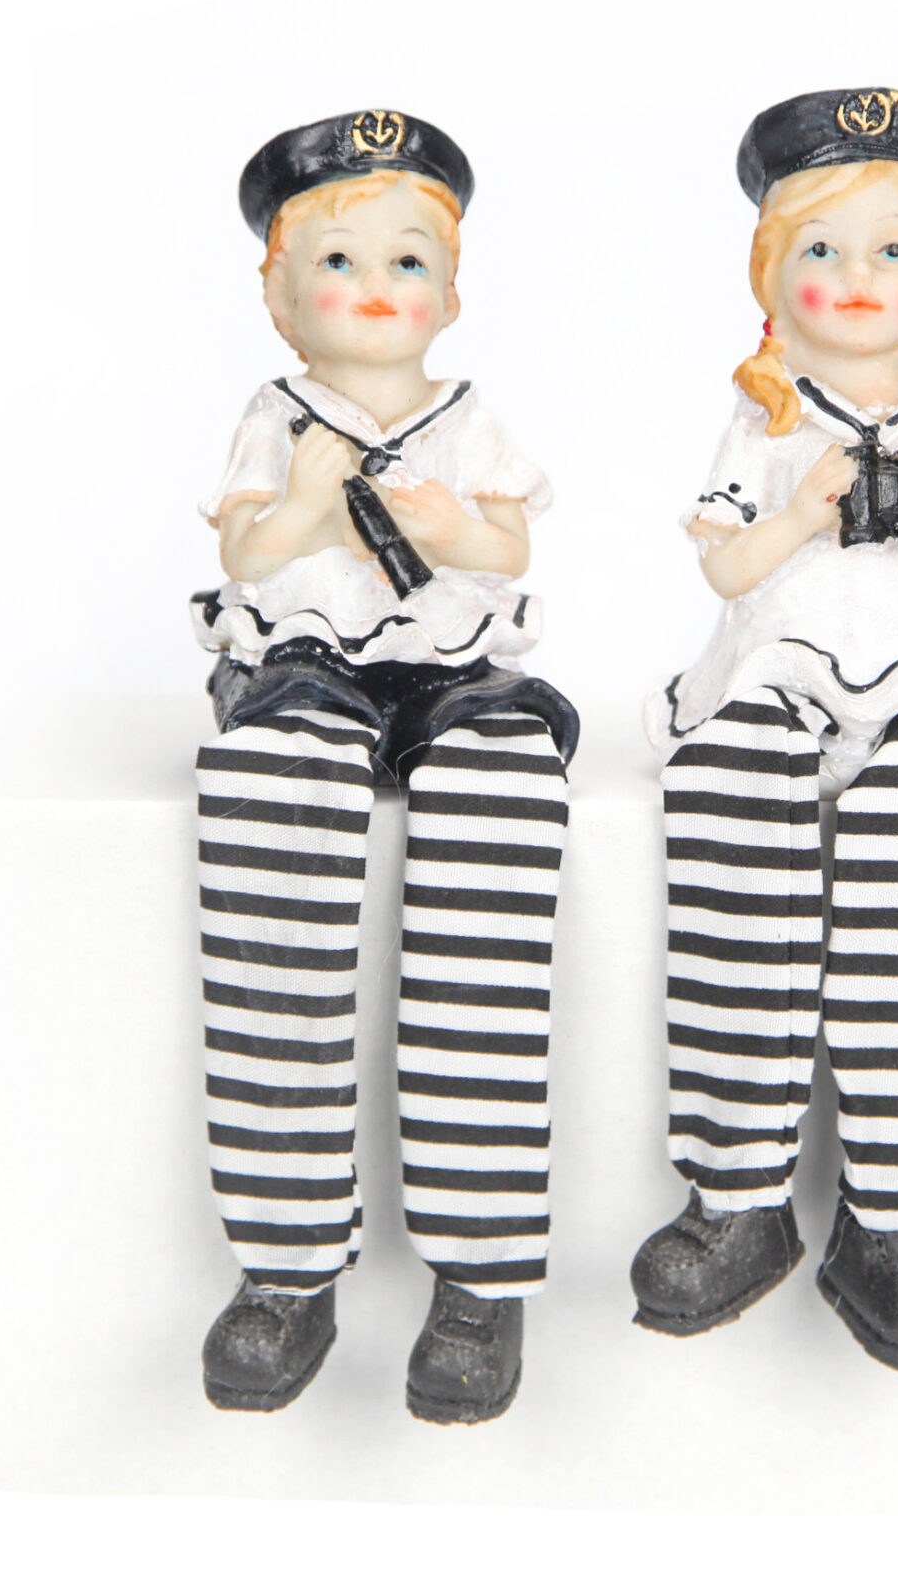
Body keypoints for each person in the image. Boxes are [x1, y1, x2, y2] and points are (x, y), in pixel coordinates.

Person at [630, 88, 898, 1374]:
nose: (860, 277)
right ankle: (737, 1191)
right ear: (771, 280)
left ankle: (890, 1220)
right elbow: (724, 568)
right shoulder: (769, 422)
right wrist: (805, 509)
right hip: (782, 656)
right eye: (822, 248)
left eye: (892, 250)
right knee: (725, 797)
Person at [192, 110, 576, 1423]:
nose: (374, 287)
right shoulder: (278, 412)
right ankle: (284, 1256)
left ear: (451, 294)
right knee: (274, 802)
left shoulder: (468, 419)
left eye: (407, 262)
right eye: (338, 263)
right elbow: (247, 552)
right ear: (281, 300)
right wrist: (309, 497)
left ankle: (481, 1267)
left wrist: (444, 521)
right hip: (307, 653)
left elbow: (508, 549)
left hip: (448, 656)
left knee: (502, 794)